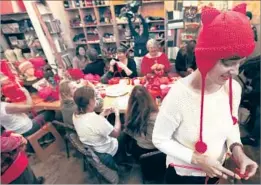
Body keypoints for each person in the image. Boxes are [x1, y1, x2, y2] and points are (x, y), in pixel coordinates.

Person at [152, 4, 258, 184]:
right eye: (229, 63)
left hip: (215, 172)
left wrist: (238, 151)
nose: (235, 71)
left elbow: (231, 123)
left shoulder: (233, 88)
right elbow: (160, 139)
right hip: (184, 177)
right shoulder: (180, 95)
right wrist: (198, 159)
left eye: (241, 62)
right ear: (206, 57)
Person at [72, 86, 122, 170]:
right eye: (94, 97)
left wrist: (102, 114)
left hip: (91, 146)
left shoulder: (75, 114)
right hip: (104, 150)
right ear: (91, 101)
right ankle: (121, 159)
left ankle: (120, 158)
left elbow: (91, 125)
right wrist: (117, 114)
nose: (96, 99)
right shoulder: (96, 120)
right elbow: (116, 133)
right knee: (123, 133)